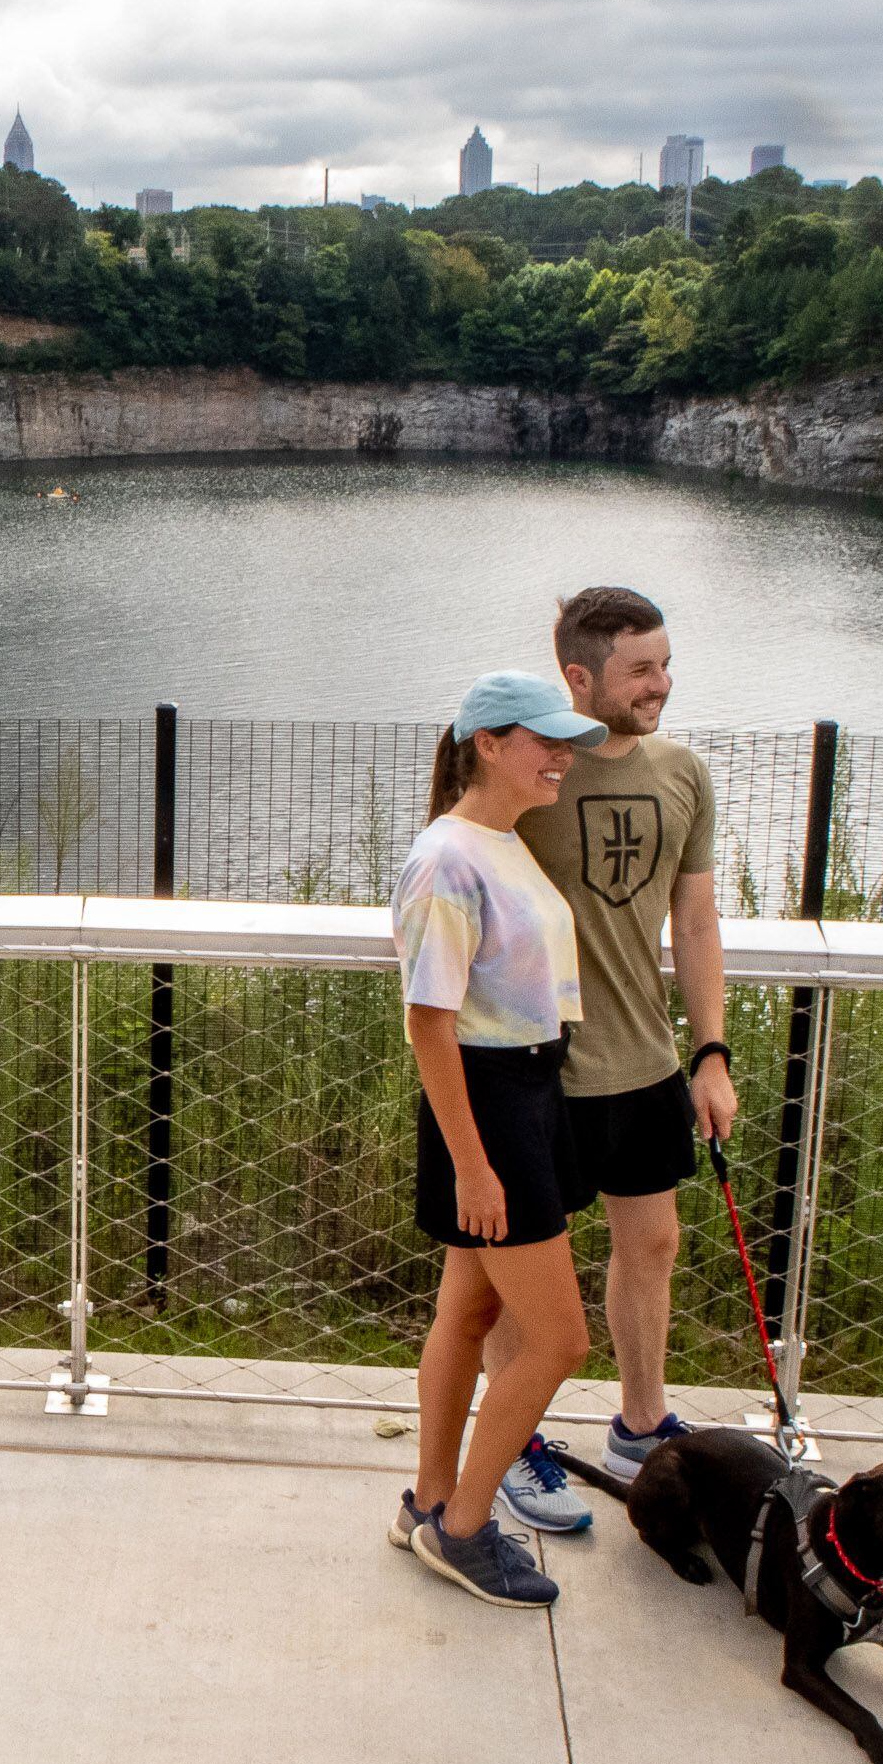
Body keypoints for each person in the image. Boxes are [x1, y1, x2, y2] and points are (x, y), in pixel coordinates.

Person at [484, 586, 738, 1537]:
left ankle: (639, 1425)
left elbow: (697, 919)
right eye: (642, 669)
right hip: (539, 1068)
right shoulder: (534, 773)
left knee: (655, 1245)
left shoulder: (684, 774)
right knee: (517, 1274)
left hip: (645, 1060)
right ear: (579, 676)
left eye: (665, 665)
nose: (662, 685)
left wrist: (711, 1052)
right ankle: (514, 1442)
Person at [389, 670, 607, 1609]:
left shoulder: (501, 843)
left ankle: (429, 1504)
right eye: (543, 740)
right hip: (487, 1103)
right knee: (559, 1340)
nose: (561, 757)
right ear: (487, 743)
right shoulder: (447, 859)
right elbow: (428, 1023)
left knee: (469, 1317)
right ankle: (467, 1529)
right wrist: (475, 1165)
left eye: (567, 741)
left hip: (526, 1091)